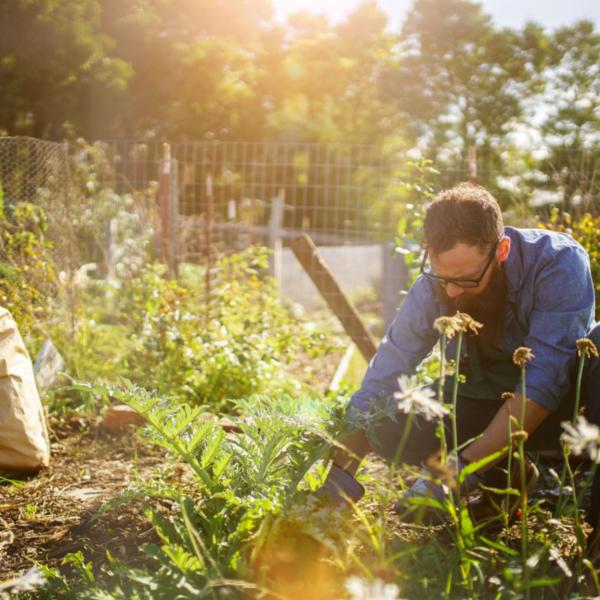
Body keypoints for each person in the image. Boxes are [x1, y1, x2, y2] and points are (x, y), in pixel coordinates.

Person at [317, 182, 600, 527]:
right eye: (442, 277)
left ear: (502, 250)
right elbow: (385, 372)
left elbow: (544, 385)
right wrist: (340, 475)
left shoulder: (557, 264)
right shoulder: (433, 285)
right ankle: (508, 476)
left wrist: (456, 471)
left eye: (466, 280)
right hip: (483, 402)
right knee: (386, 422)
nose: (451, 291)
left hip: (565, 413)